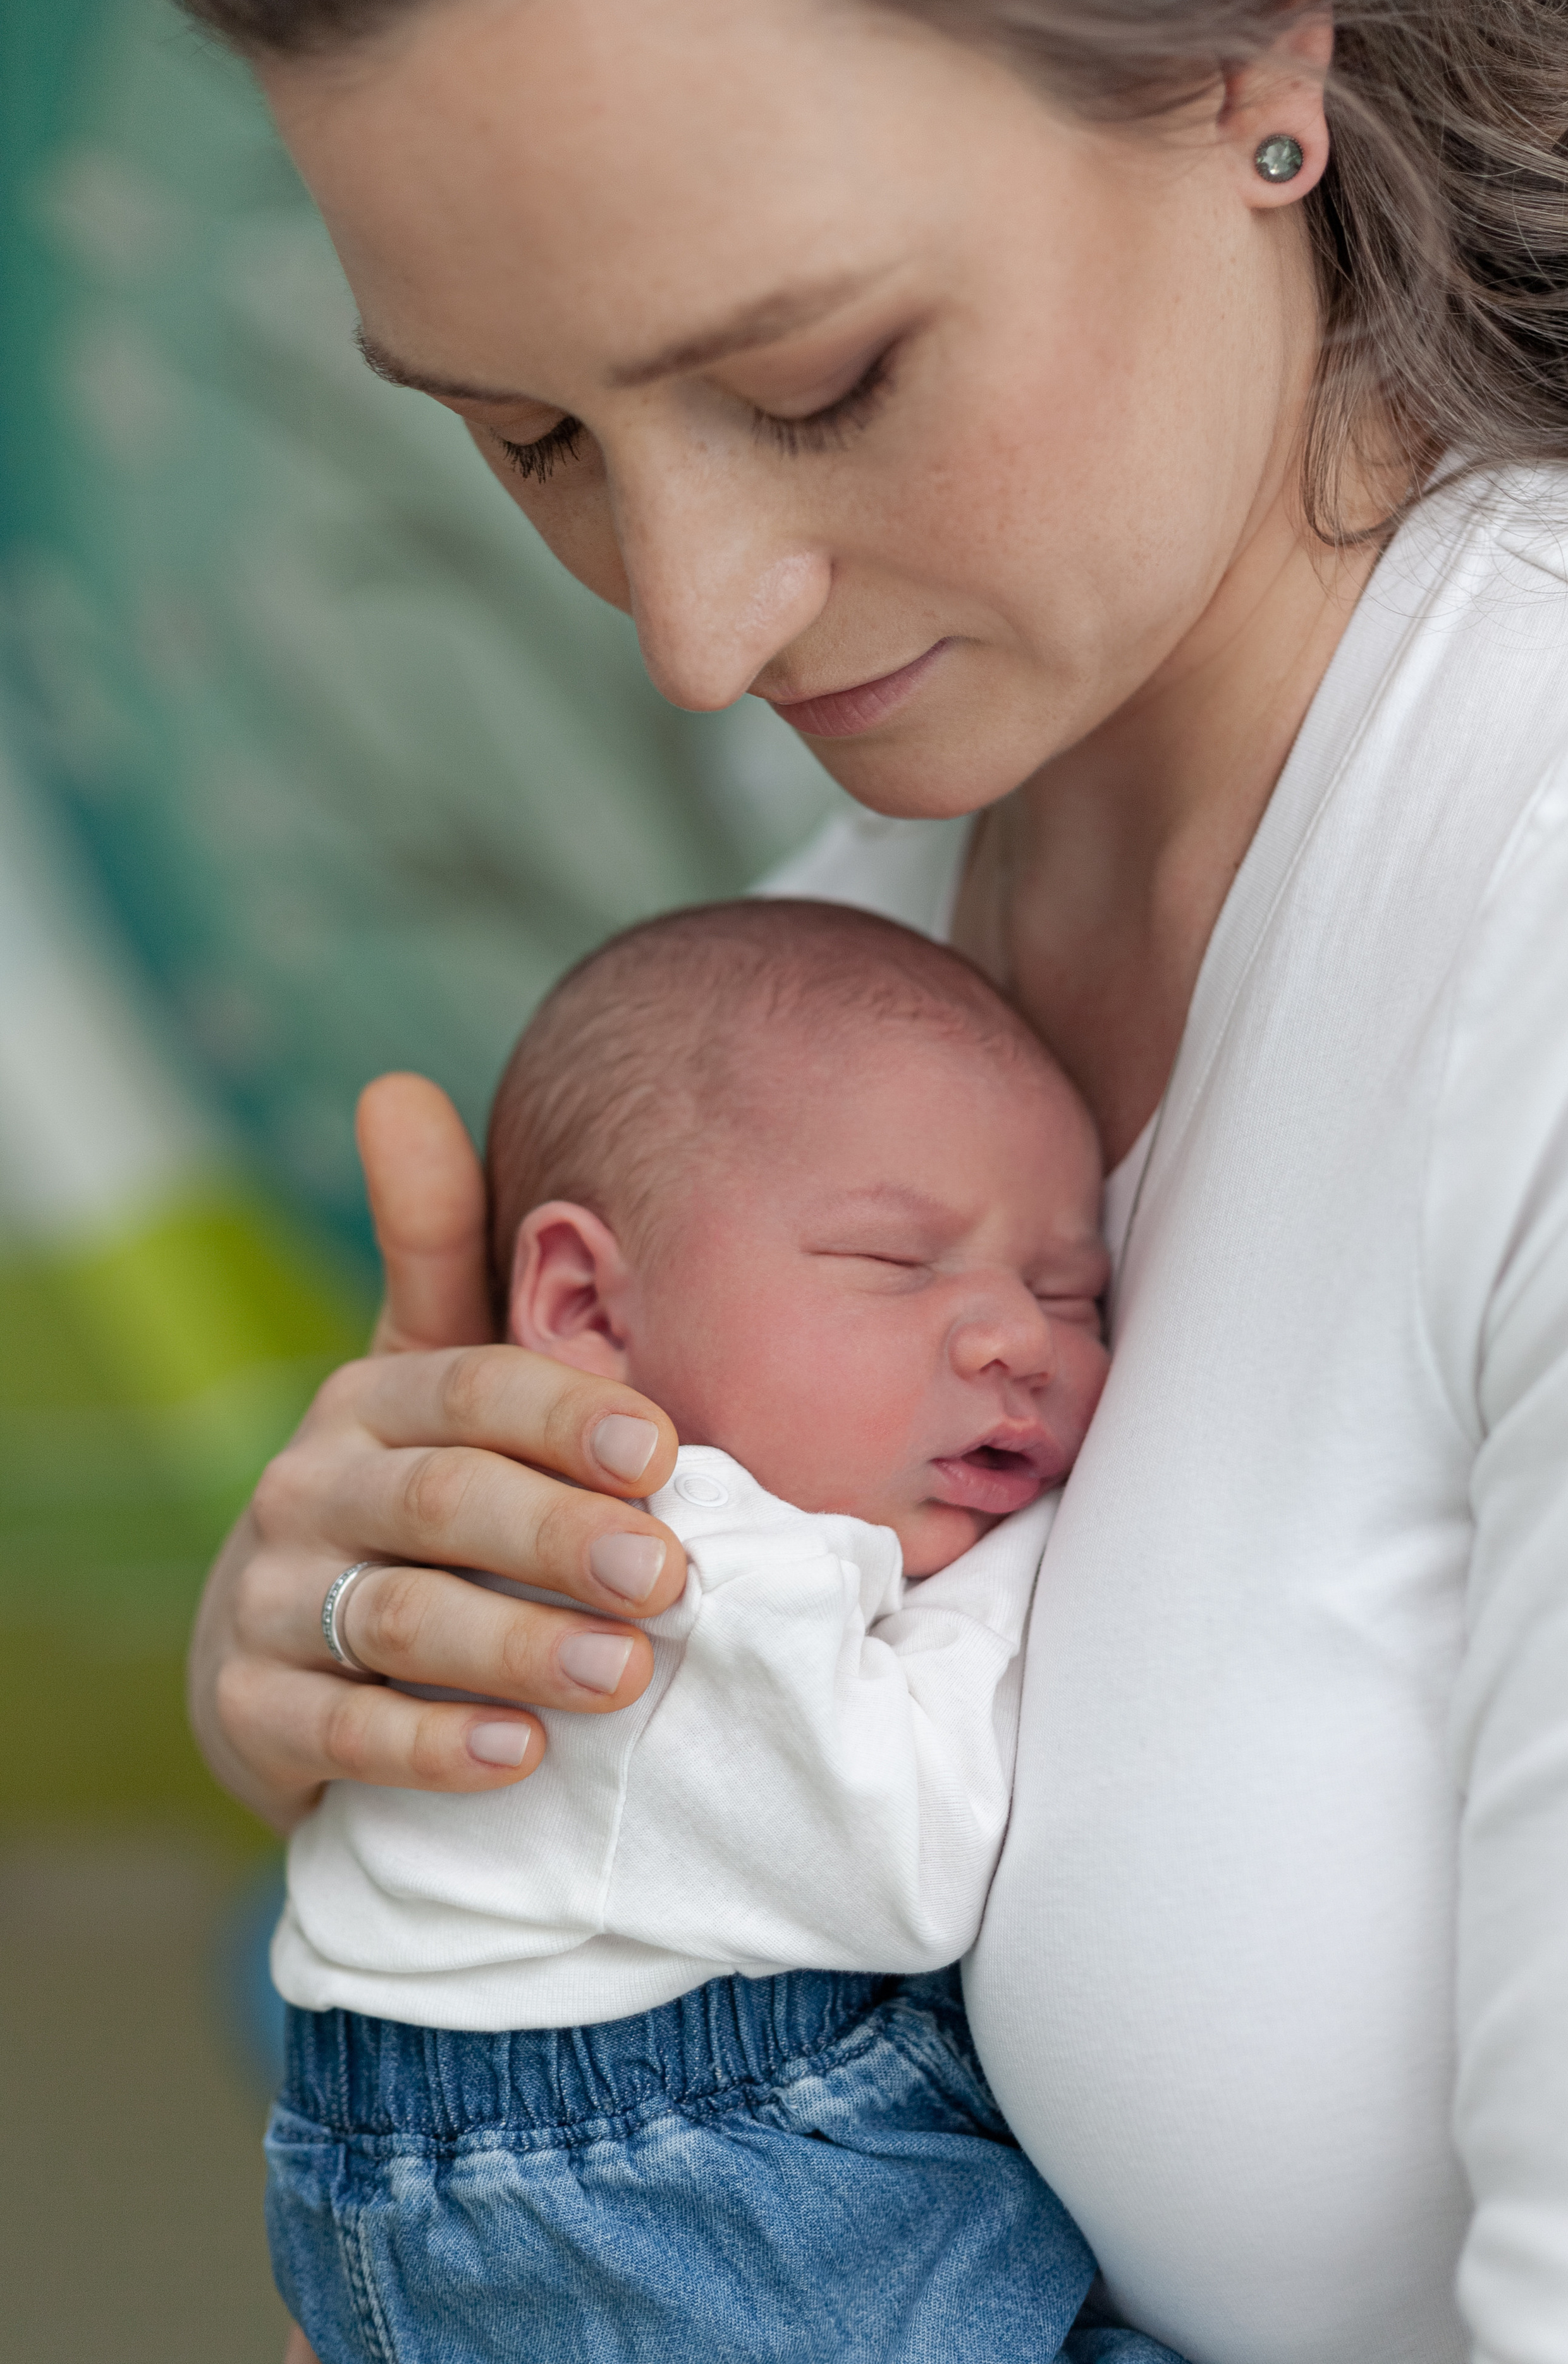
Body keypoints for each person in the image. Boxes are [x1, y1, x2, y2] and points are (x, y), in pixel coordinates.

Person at [144, 0, 1568, 2356]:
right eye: (527, 437)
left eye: (815, 381)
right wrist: (395, 1712)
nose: (700, 634)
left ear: (1258, 61)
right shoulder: (857, 949)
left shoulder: (1567, 886)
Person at [269, 894, 1175, 2362]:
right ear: (588, 1307)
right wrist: (1051, 1552)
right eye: (895, 1263)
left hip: (482, 2180)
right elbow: (915, 1860)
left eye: (1068, 1289)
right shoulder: (681, 1548)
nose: (1016, 1333)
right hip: (637, 2178)